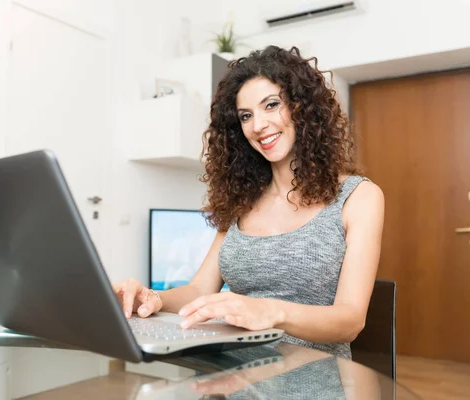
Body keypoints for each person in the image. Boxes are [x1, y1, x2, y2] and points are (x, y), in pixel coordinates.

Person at [113, 45, 384, 359]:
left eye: (271, 105)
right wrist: (151, 299)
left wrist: (269, 311)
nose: (258, 125)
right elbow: (199, 291)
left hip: (313, 379)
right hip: (232, 375)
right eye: (246, 116)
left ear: (302, 107)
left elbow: (349, 321)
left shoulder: (358, 197)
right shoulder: (241, 200)